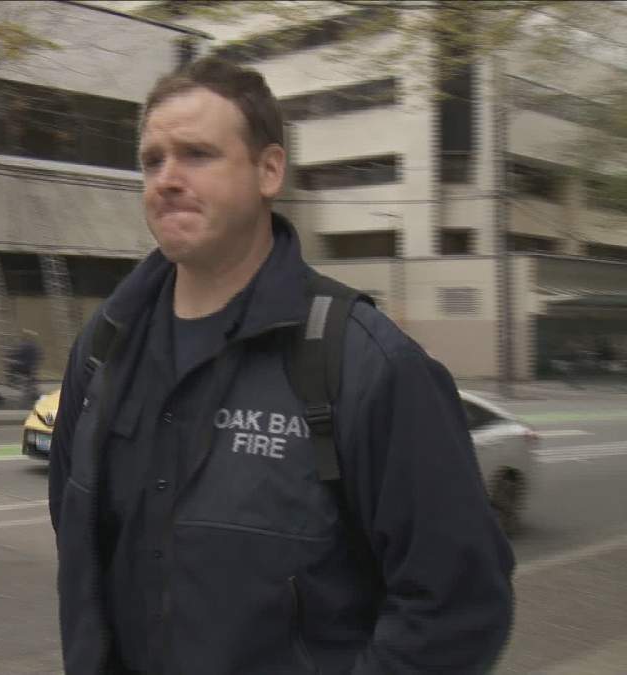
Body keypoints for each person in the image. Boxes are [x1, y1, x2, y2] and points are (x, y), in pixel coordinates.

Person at [48, 56, 514, 675]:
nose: (166, 178)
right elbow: (79, 543)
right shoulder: (102, 348)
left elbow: (459, 605)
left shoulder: (365, 364)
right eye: (152, 160)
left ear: (269, 170)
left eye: (196, 154)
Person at [10, 329, 42, 407]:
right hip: (30, 367)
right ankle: (33, 394)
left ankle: (29, 392)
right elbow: (39, 356)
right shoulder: (35, 346)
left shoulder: (22, 345)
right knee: (31, 380)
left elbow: (15, 355)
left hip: (23, 367)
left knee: (28, 380)